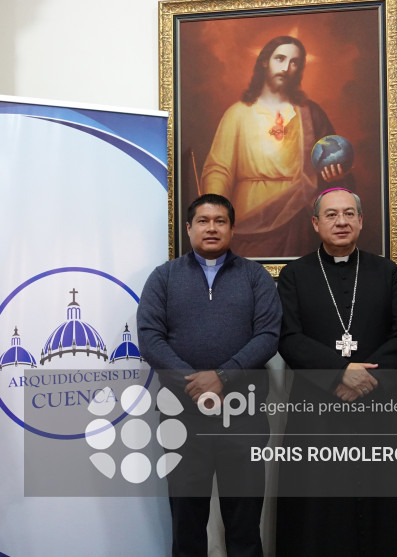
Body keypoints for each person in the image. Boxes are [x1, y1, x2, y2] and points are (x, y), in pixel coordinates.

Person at [275, 187, 397, 555]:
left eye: (349, 214)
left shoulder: (385, 271)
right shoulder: (295, 274)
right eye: (331, 215)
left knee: (380, 501)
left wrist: (367, 380)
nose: (341, 222)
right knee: (317, 507)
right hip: (317, 409)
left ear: (361, 220)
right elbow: (289, 339)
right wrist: (339, 373)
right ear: (315, 223)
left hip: (378, 405)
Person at [137, 194, 281, 556]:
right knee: (187, 523)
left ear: (232, 228)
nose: (212, 228)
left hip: (242, 416)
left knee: (244, 524)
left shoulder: (255, 276)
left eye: (220, 221)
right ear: (189, 228)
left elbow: (268, 336)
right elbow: (150, 339)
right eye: (203, 221)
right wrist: (194, 383)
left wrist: (222, 376)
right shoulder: (164, 277)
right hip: (182, 419)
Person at [201, 35, 354, 257]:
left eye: (295, 62)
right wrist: (215, 214)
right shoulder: (238, 113)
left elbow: (334, 164)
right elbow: (219, 169)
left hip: (297, 215)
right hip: (249, 215)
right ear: (265, 62)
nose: (286, 68)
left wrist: (333, 177)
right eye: (280, 59)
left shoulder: (311, 113)